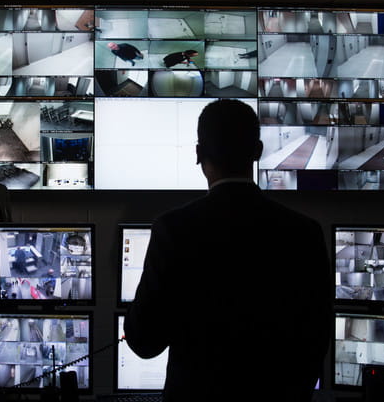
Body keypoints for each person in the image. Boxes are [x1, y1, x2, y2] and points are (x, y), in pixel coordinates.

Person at [124, 99, 332, 402]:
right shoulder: (306, 233)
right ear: (258, 151)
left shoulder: (174, 230)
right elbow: (317, 341)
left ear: (198, 154)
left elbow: (144, 342)